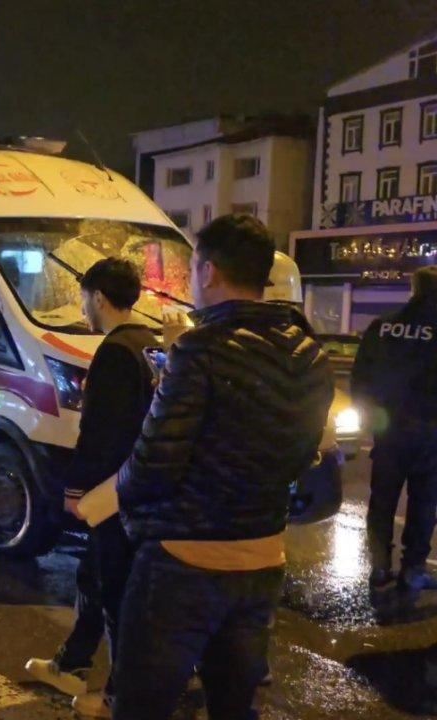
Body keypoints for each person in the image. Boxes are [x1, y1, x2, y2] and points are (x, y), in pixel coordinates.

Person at [113, 215, 333, 720]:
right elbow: (303, 454)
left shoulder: (199, 349)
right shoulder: (309, 354)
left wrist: (127, 511)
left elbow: (151, 464)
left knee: (143, 704)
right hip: (262, 557)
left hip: (183, 560)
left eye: (193, 267)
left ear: (208, 271)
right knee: (234, 705)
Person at [25, 259, 158, 718]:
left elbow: (100, 432)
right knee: (94, 576)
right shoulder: (149, 344)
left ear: (99, 297)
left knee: (115, 588)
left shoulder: (115, 352)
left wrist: (77, 488)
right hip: (138, 487)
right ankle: (72, 664)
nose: (82, 308)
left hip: (112, 491)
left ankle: (121, 695)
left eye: (84, 298)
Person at [351, 265, 437, 591]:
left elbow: (361, 376)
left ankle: (379, 566)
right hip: (430, 432)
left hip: (388, 430)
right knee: (424, 502)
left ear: (413, 289)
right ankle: (413, 568)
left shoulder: (383, 326)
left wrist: (369, 417)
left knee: (382, 500)